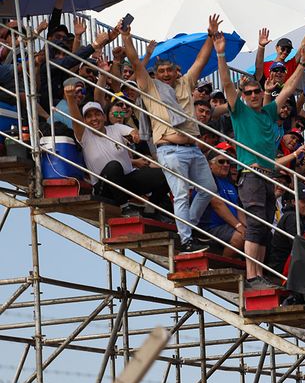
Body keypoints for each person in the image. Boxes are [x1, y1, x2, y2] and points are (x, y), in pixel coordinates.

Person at [215, 32, 305, 288]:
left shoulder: (268, 111)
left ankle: (257, 274)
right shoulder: (239, 111)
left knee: (264, 225)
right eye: (249, 92)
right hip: (251, 174)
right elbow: (226, 85)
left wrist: (302, 64)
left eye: (257, 91)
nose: (255, 94)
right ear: (244, 95)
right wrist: (221, 54)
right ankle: (251, 276)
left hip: (268, 176)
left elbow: (288, 88)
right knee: (256, 225)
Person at [121, 16, 219, 253]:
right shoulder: (151, 86)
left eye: (169, 70)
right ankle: (185, 240)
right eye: (161, 70)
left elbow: (200, 60)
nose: (165, 74)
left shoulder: (186, 83)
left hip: (192, 148)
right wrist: (126, 37)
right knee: (182, 195)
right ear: (156, 73)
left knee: (209, 190)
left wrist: (210, 36)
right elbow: (135, 62)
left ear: (177, 72)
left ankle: (187, 228)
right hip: (170, 150)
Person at [64, 85, 170, 217]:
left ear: (104, 117)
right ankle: (125, 208)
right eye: (89, 116)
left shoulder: (116, 128)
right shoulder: (84, 136)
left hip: (127, 181)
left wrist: (135, 135)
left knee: (167, 175)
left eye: (97, 114)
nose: (94, 118)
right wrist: (70, 99)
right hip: (104, 186)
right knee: (114, 166)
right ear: (85, 120)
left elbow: (131, 131)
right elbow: (76, 119)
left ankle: (152, 208)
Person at [196, 150, 246, 257]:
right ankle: (221, 266)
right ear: (210, 165)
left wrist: (246, 226)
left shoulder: (229, 182)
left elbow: (237, 208)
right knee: (240, 237)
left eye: (228, 162)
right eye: (221, 162)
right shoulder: (207, 180)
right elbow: (217, 205)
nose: (226, 165)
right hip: (211, 226)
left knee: (254, 235)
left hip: (227, 225)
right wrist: (238, 226)